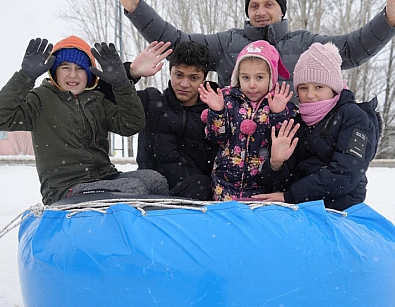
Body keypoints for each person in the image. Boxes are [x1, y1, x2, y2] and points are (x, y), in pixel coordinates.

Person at [106, 0, 395, 89]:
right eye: (254, 6)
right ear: (247, 12)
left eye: (268, 5)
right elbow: (177, 44)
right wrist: (136, 7)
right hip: (235, 144)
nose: (261, 11)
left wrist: (389, 19)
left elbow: (350, 50)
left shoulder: (304, 43)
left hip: (287, 143)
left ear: (281, 10)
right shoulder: (226, 43)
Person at [0, 36, 169, 205]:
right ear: (54, 72)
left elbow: (132, 124)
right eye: (65, 68)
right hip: (66, 189)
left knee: (154, 180)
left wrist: (121, 83)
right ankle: (126, 239)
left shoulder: (96, 99)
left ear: (89, 74)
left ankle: (156, 237)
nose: (73, 75)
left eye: (80, 68)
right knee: (133, 189)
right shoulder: (40, 99)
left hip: (105, 177)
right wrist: (25, 76)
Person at [253, 42, 381, 211]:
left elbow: (345, 174)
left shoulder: (354, 117)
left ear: (333, 88)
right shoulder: (297, 121)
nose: (310, 95)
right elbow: (279, 185)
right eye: (304, 88)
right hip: (299, 208)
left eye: (318, 87)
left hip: (339, 210)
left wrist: (291, 196)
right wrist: (276, 164)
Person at [198, 40, 296, 201]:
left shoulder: (279, 104)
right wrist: (218, 112)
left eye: (259, 77)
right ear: (237, 77)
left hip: (261, 189)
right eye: (245, 77)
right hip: (225, 186)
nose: (251, 85)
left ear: (271, 77)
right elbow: (215, 138)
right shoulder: (228, 101)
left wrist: (278, 114)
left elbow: (280, 143)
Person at [127, 40, 221, 201]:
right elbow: (106, 101)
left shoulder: (214, 113)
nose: (184, 84)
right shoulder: (151, 102)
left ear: (203, 79)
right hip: (149, 196)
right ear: (170, 72)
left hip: (194, 199)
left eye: (193, 77)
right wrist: (131, 73)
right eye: (179, 75)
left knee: (201, 184)